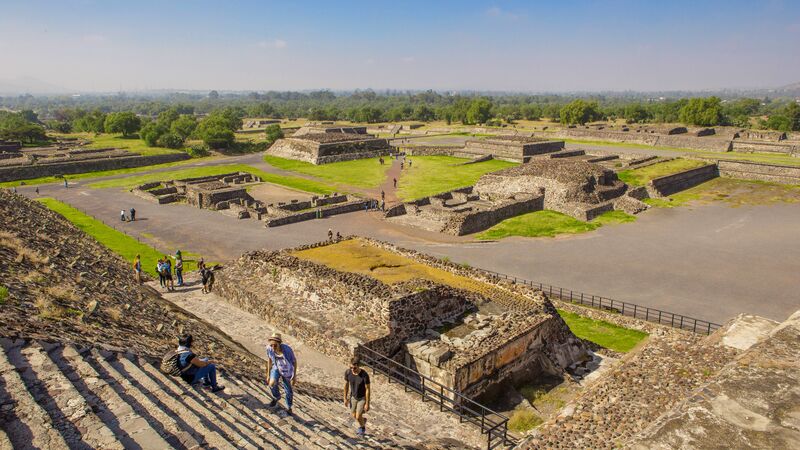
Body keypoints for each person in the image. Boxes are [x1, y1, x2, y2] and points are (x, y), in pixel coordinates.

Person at [265, 333, 297, 415]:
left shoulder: (287, 350)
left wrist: (294, 376)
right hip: (276, 367)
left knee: (288, 391)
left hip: (287, 370)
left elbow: (294, 362)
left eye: (275, 345)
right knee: (271, 383)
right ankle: (277, 396)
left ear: (279, 344)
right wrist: (268, 374)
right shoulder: (269, 348)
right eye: (271, 345)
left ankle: (289, 407)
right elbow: (269, 360)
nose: (273, 347)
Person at [344, 357, 371, 436]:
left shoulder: (364, 375)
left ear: (358, 366)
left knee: (358, 416)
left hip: (362, 398)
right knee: (354, 415)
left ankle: (362, 428)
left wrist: (367, 403)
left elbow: (368, 389)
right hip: (353, 397)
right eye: (351, 367)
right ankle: (362, 420)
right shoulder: (348, 373)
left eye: (354, 368)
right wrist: (345, 398)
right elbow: (346, 385)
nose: (352, 369)